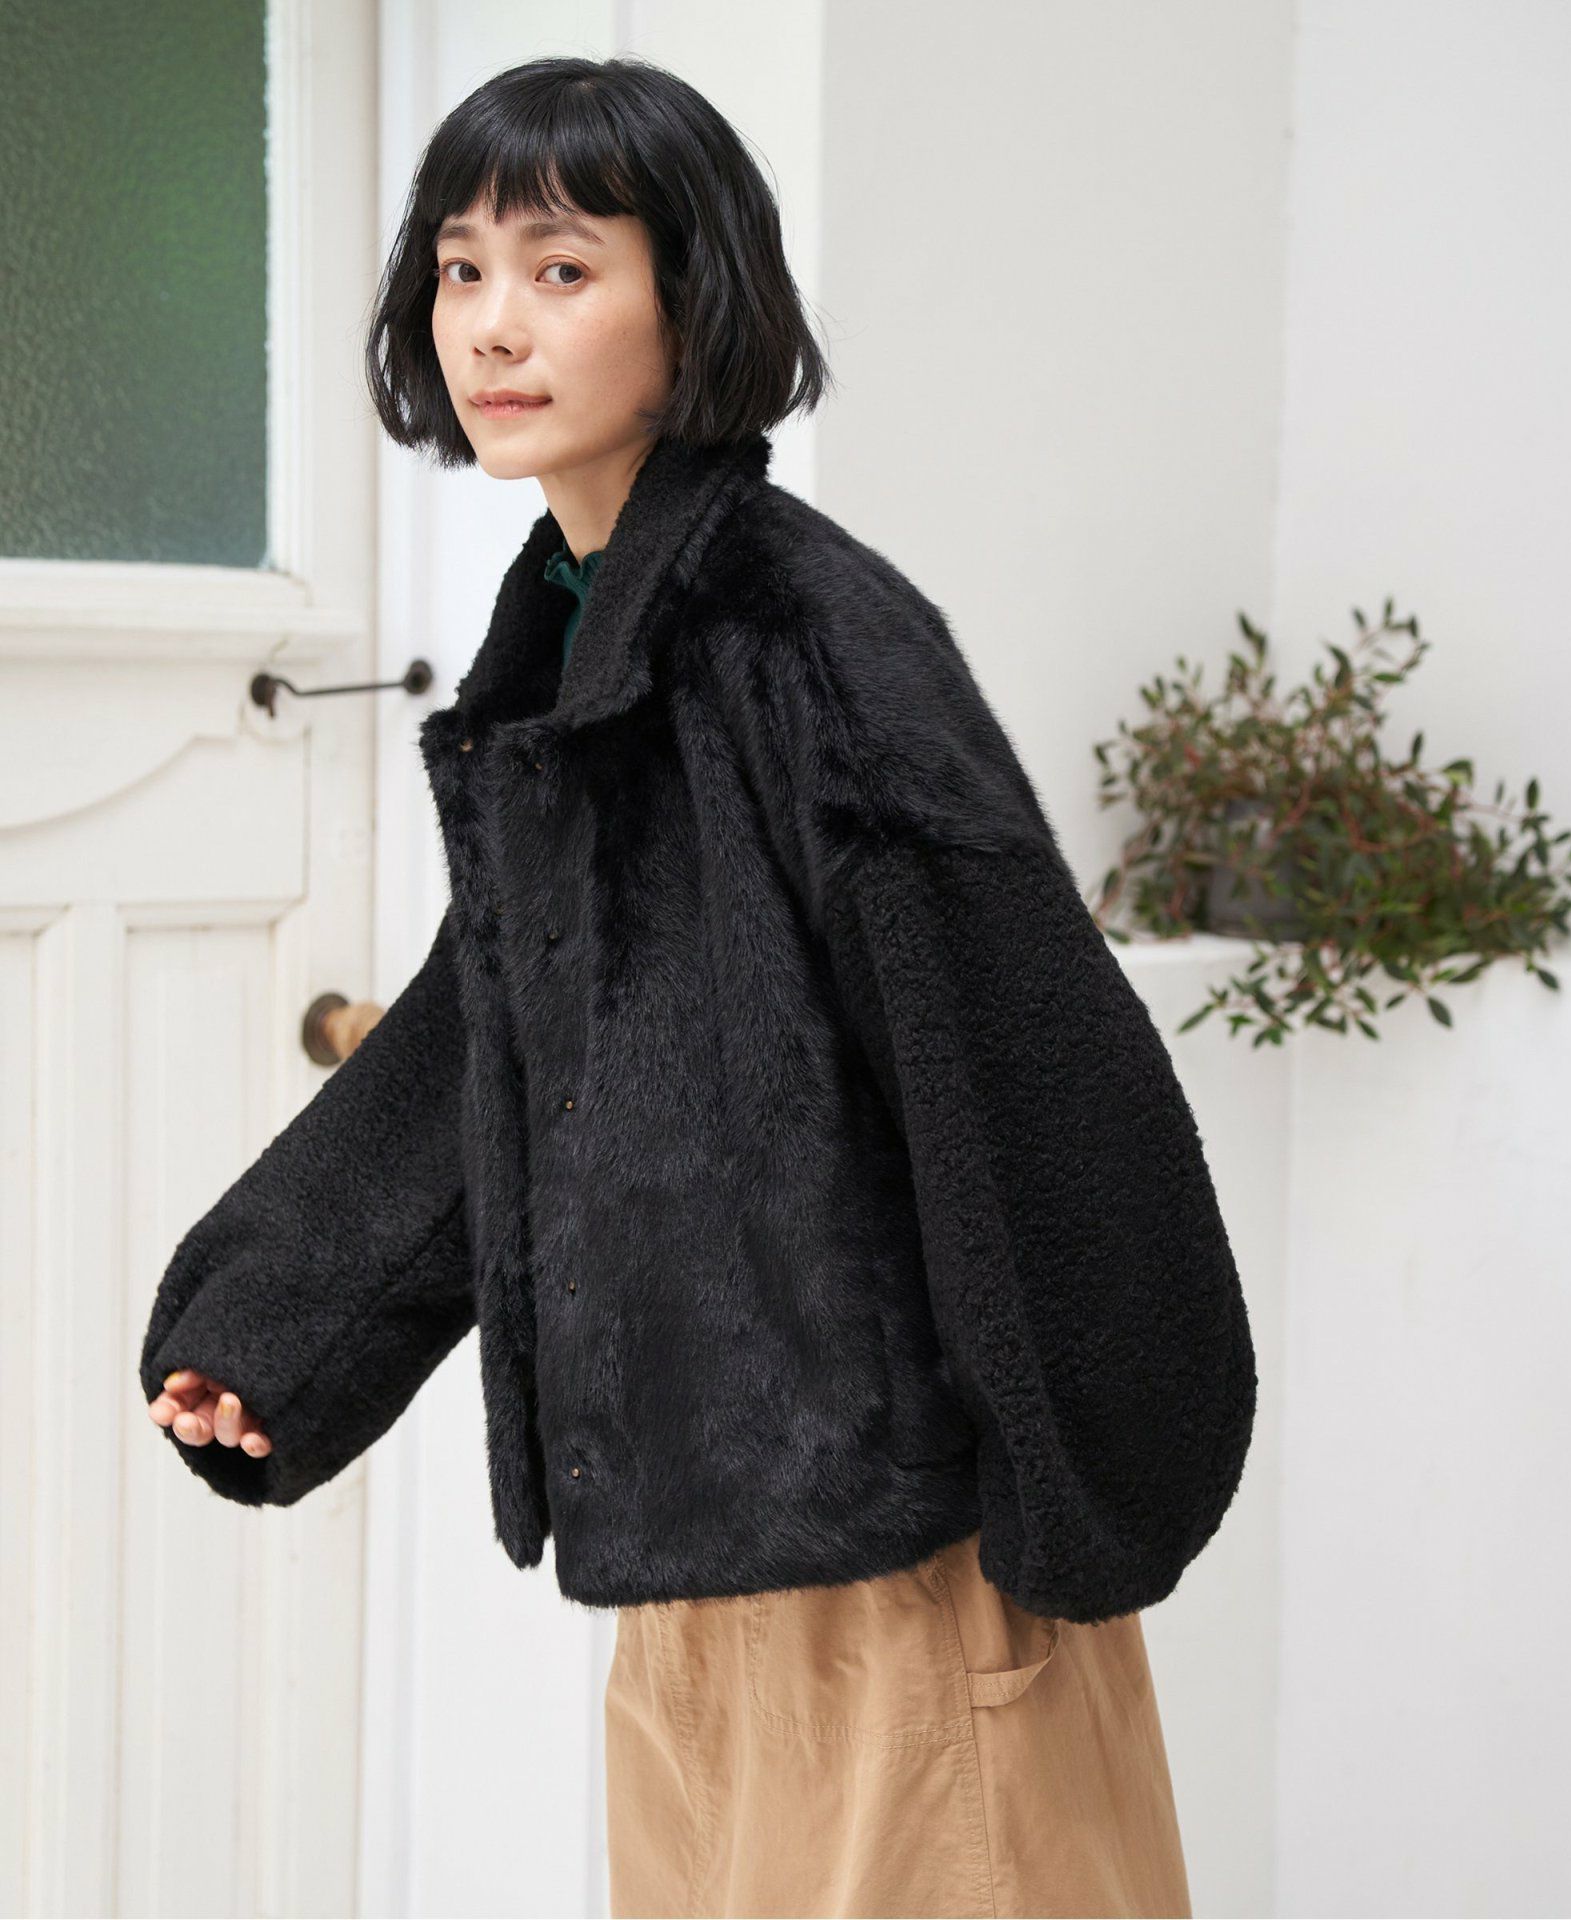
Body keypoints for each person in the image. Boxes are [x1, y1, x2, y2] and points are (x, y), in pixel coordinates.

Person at [142, 53, 1255, 1919]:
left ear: (695, 299)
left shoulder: (804, 633)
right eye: (463, 269)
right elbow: (499, 1021)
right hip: (695, 1572)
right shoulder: (578, 634)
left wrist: (1086, 1492)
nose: (495, 324)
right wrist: (281, 1321)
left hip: (905, 1579)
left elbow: (1030, 1053)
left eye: (564, 269)